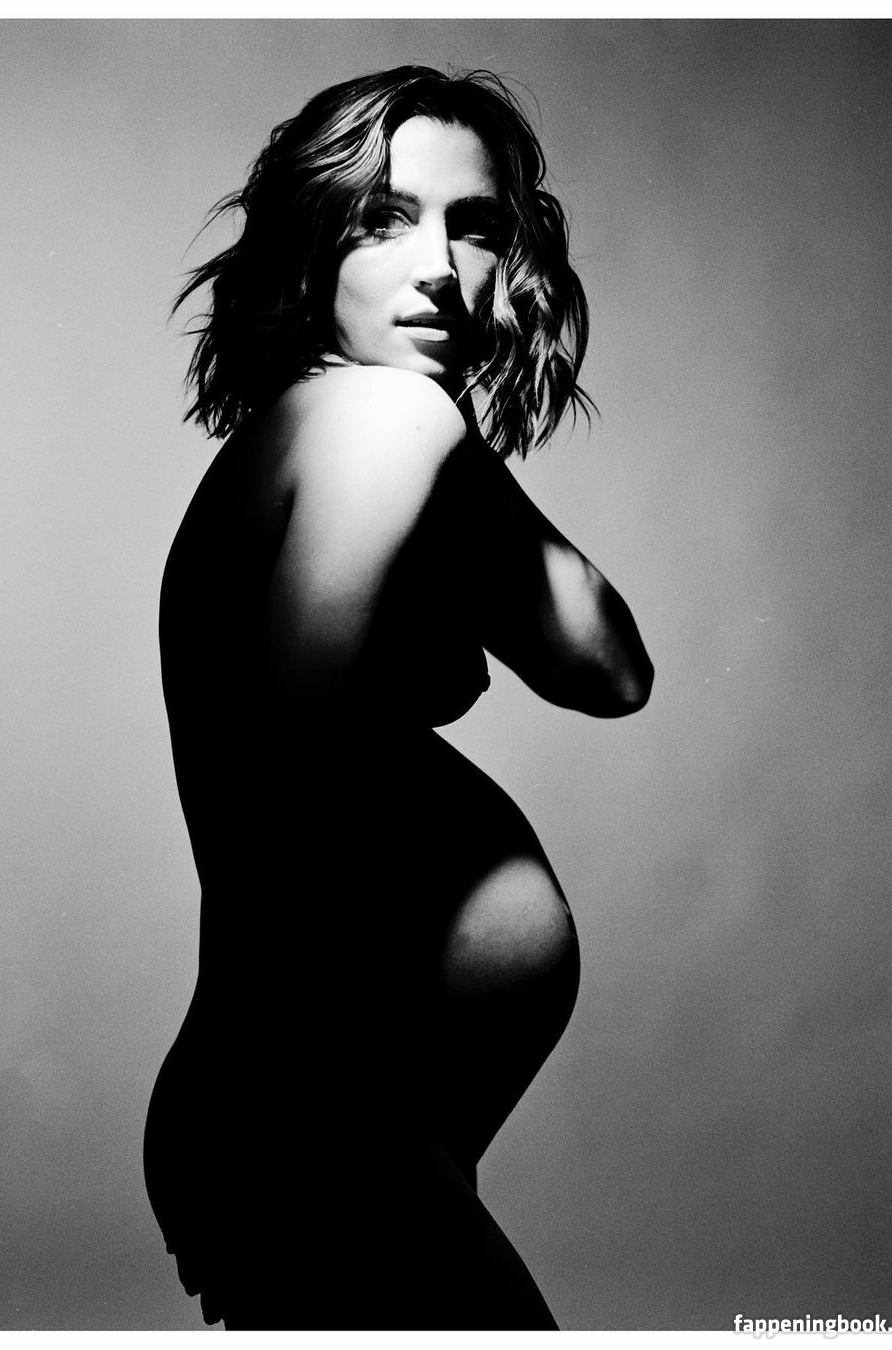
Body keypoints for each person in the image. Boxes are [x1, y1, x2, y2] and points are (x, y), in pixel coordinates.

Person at [143, 65, 652, 1331]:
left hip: (325, 1124)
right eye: (384, 219)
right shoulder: (379, 422)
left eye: (472, 228)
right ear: (313, 247)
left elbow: (609, 669)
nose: (438, 269)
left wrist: (459, 456)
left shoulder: (366, 427)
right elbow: (294, 758)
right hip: (315, 1116)